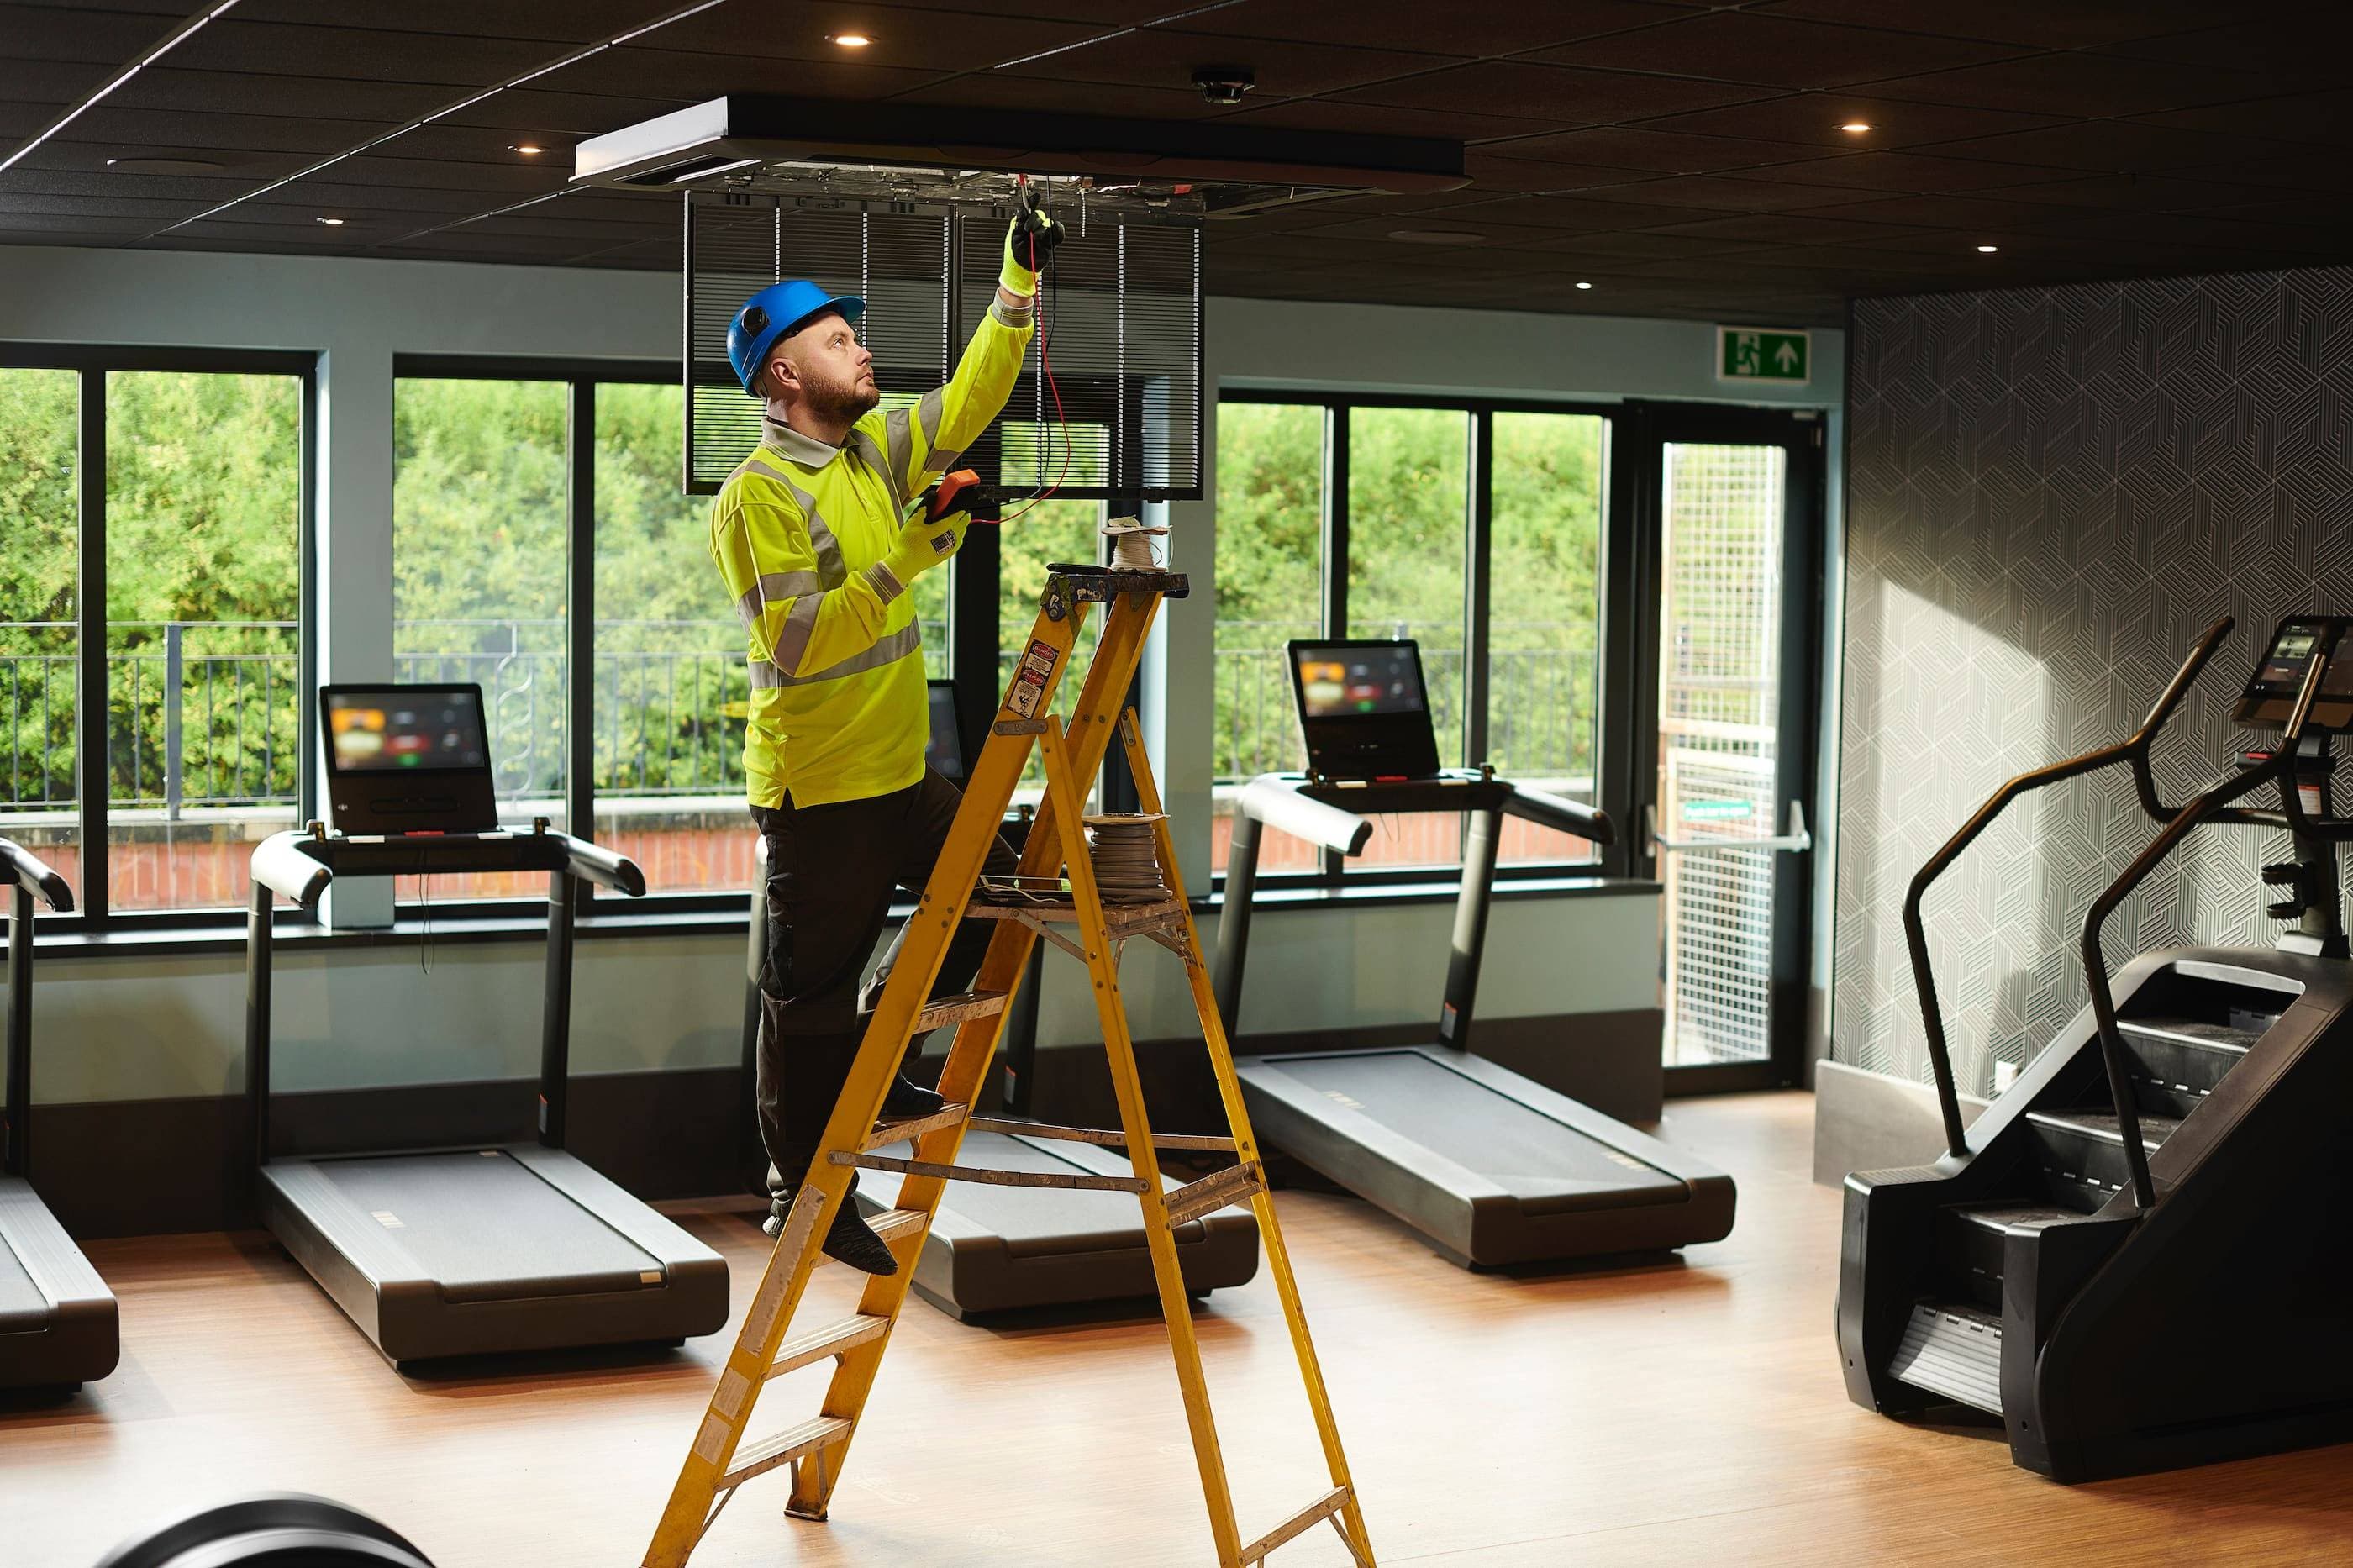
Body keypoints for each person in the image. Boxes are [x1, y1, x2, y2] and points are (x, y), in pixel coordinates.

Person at [711, 195, 1064, 1275]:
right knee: (803, 1003)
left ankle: (884, 1046)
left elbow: (968, 398)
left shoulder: (872, 455)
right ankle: (802, 1198)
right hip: (820, 791)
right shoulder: (756, 497)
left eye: (854, 336)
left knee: (998, 896)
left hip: (901, 774)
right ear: (783, 373)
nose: (861, 352)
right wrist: (908, 563)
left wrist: (1017, 285)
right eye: (837, 339)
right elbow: (804, 643)